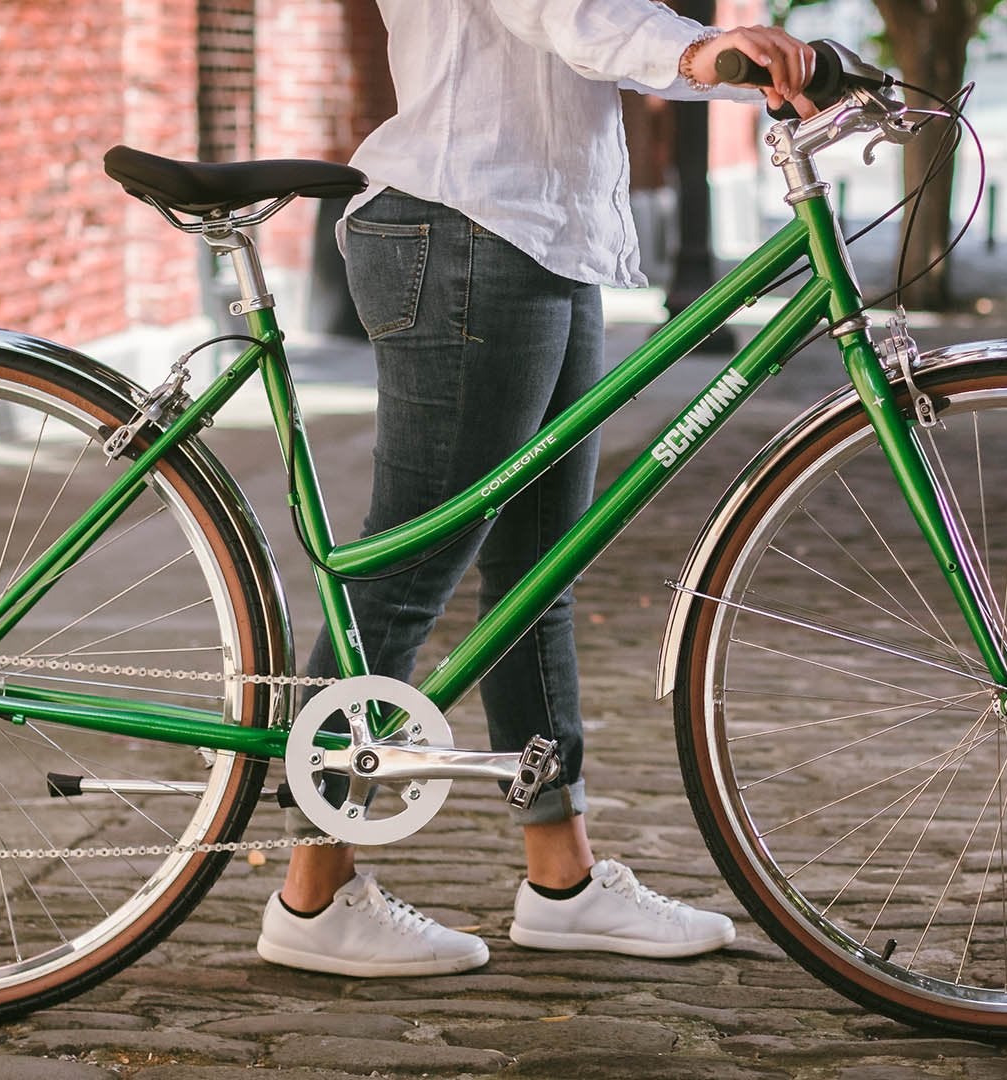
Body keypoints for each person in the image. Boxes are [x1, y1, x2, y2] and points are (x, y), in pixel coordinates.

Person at [254, 1, 817, 978]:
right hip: (466, 225)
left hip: (542, 231)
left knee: (534, 574)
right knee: (410, 571)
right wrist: (693, 51)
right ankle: (313, 890)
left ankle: (562, 878)